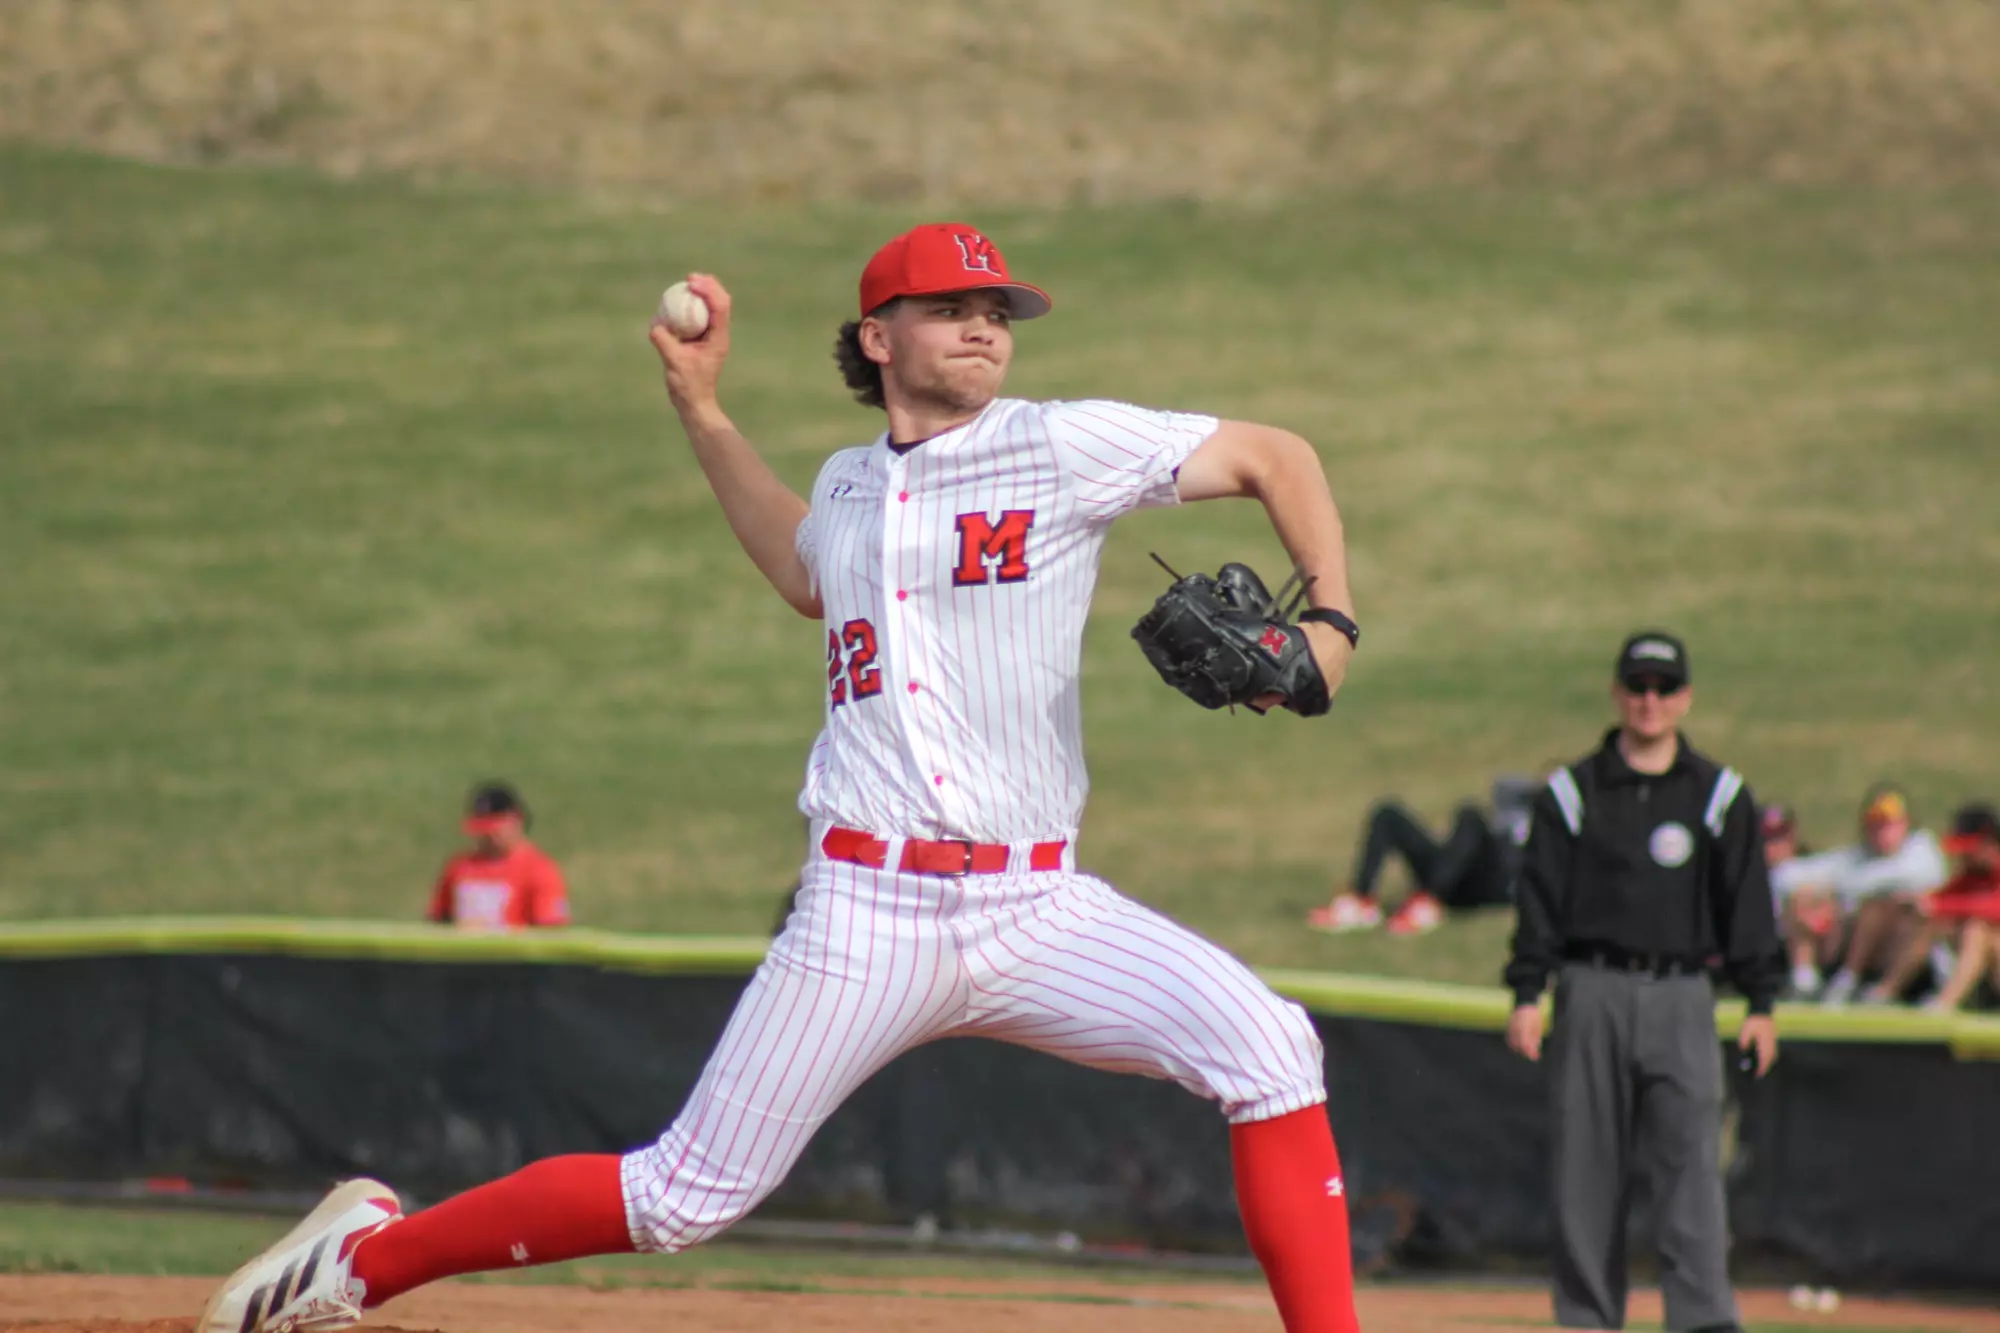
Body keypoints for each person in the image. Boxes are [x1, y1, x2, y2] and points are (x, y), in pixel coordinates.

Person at [199, 223, 1364, 1333]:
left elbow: (1279, 455)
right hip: (868, 911)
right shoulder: (852, 487)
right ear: (875, 337)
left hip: (1037, 902)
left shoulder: (1058, 442)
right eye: (947, 309)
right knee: (679, 1199)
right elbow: (807, 569)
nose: (981, 328)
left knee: (1269, 1050)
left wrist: (1328, 622)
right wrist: (700, 409)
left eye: (994, 310)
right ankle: (358, 1260)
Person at [1504, 631, 1782, 1333]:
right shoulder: (1573, 792)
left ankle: (1702, 1319)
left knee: (1690, 1167)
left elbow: (1747, 905)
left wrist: (1761, 1001)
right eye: (1638, 686)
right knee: (1585, 1176)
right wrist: (1528, 992)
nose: (1649, 700)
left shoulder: (1718, 795)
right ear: (1618, 693)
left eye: (1663, 687)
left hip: (1683, 995)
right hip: (1591, 990)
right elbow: (1537, 899)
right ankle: (1588, 1319)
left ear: (1684, 697)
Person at [1307, 776, 1540, 935]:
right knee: (1388, 813)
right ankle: (1362, 900)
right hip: (1452, 873)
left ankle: (1428, 903)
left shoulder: (1559, 830)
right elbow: (1505, 787)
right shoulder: (1524, 803)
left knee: (1470, 816)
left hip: (1490, 885)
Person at [1778, 785, 1946, 1002]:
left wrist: (1838, 891)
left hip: (1909, 952)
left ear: (1906, 824)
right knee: (1802, 897)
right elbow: (1788, 877)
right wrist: (1819, 895)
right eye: (1875, 825)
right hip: (1851, 940)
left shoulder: (1922, 852)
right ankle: (1805, 981)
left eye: (1888, 825)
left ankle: (1868, 986)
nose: (1881, 832)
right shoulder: (1857, 858)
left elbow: (1914, 877)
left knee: (1879, 908)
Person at [1863, 803, 2000, 1010]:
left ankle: (1945, 1004)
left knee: (1976, 930)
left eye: (1970, 850)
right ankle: (1885, 992)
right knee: (1932, 923)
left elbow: (1993, 908)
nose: (1963, 857)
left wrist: (1936, 906)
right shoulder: (1973, 874)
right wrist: (1913, 901)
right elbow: (1942, 898)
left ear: (1990, 844)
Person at [425, 782, 570, 930]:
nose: (487, 836)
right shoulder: (459, 867)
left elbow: (550, 930)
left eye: (494, 830)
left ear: (515, 821)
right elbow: (439, 919)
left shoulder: (539, 870)